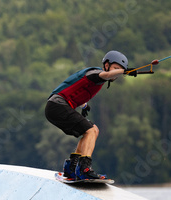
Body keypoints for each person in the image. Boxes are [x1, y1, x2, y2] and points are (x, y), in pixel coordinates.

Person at [45, 50, 129, 180]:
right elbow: (104, 75)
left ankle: (71, 168)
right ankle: (84, 169)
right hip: (57, 106)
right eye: (116, 68)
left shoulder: (96, 79)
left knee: (93, 130)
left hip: (56, 107)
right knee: (90, 131)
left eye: (120, 70)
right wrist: (124, 71)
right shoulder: (95, 73)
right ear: (106, 65)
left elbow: (75, 88)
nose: (117, 73)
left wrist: (83, 104)